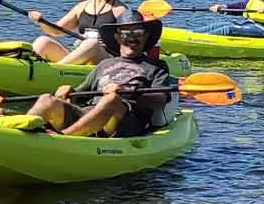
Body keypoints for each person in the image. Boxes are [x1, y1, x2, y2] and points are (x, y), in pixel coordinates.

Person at [26, 14, 173, 137]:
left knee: (111, 99)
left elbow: (161, 99)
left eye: (138, 33)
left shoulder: (156, 66)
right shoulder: (104, 64)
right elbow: (81, 95)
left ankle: (63, 138)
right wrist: (69, 92)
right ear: (117, 37)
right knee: (47, 99)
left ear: (146, 36)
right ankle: (19, 130)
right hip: (88, 114)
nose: (132, 38)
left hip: (124, 121)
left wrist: (129, 93)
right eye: (126, 33)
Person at [28, 0, 129, 65]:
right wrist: (40, 21)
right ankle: (29, 69)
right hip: (79, 56)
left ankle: (56, 70)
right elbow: (56, 31)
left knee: (92, 43)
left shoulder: (121, 10)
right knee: (43, 41)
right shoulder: (81, 7)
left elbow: (130, 43)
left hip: (105, 61)